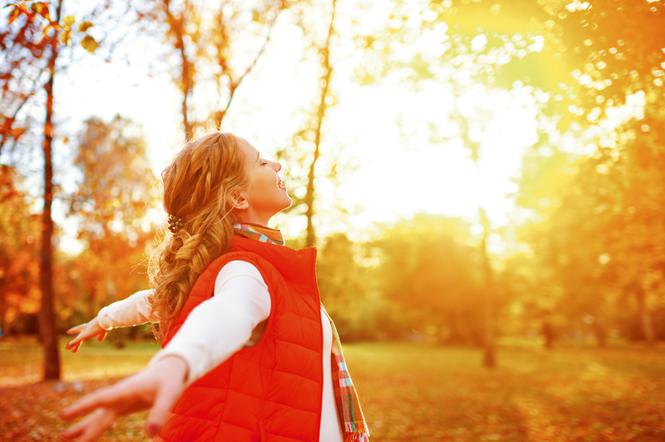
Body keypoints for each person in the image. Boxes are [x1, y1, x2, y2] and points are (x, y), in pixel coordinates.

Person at [59, 132, 371, 442]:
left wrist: (103, 319)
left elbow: (154, 300)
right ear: (239, 197)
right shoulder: (245, 269)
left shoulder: (247, 267)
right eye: (261, 162)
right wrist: (176, 362)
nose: (276, 165)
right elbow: (228, 313)